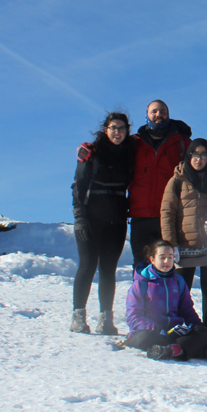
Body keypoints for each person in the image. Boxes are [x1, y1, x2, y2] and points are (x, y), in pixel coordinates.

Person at [70, 112, 135, 335]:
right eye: (113, 128)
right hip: (91, 218)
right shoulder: (92, 152)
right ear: (105, 129)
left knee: (109, 269)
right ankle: (78, 316)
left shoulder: (130, 153)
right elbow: (78, 186)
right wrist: (80, 217)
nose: (117, 132)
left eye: (122, 128)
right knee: (87, 265)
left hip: (116, 219)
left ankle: (106, 319)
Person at [161, 138, 207, 329]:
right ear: (189, 155)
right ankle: (178, 327)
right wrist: (170, 244)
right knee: (181, 290)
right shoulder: (177, 179)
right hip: (184, 245)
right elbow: (167, 212)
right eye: (195, 154)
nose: (199, 159)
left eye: (204, 155)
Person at [125, 240, 207, 360]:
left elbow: (187, 311)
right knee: (144, 338)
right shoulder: (141, 284)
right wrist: (156, 328)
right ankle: (185, 349)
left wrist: (200, 328)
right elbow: (134, 317)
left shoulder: (178, 281)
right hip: (151, 332)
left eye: (170, 257)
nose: (167, 262)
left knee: (204, 332)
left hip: (173, 333)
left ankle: (172, 350)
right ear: (152, 259)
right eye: (162, 257)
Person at [128, 100, 192, 272]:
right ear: (147, 115)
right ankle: (141, 299)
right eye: (154, 111)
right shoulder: (135, 143)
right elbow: (113, 151)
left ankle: (167, 299)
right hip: (140, 215)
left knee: (168, 267)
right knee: (141, 267)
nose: (158, 115)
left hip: (169, 215)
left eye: (162, 111)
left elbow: (199, 165)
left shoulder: (181, 143)